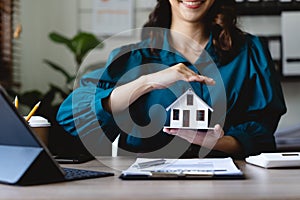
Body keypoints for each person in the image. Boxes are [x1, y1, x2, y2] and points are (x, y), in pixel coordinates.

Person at [57, 0, 286, 158]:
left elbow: (263, 132)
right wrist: (147, 82)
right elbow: (70, 116)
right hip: (147, 184)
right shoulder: (134, 58)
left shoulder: (250, 52)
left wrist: (217, 142)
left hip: (229, 183)